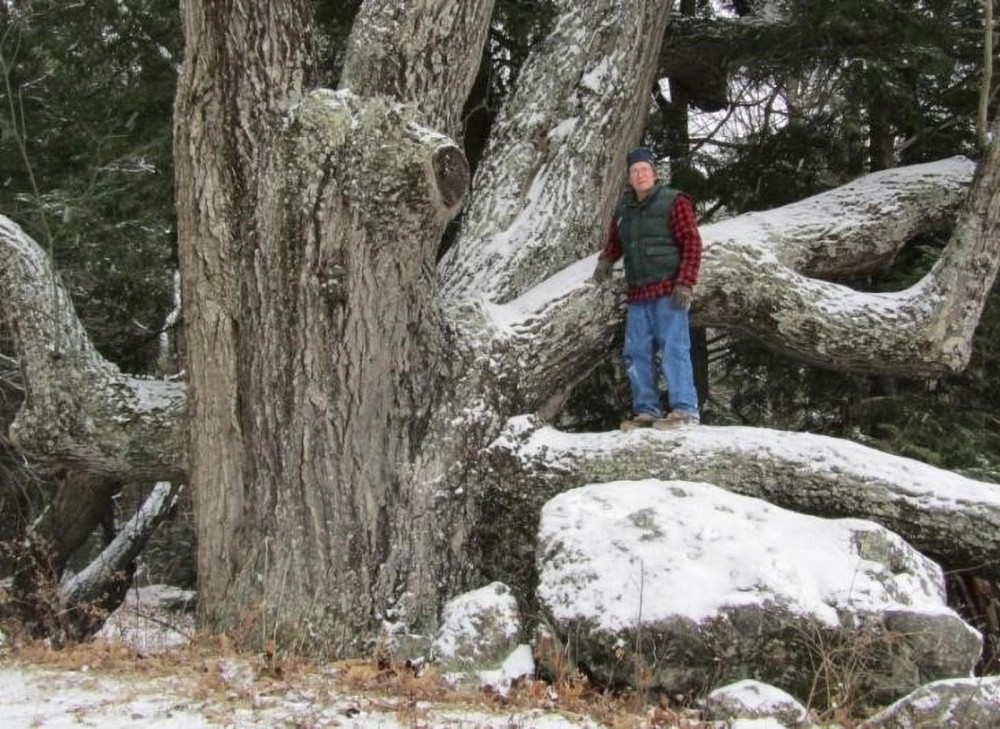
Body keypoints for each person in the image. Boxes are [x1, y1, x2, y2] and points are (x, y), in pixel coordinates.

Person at [592, 146, 702, 430]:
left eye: (644, 170)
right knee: (636, 351)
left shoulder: (674, 201)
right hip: (639, 294)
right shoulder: (626, 211)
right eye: (634, 171)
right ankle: (647, 411)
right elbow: (619, 241)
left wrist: (686, 283)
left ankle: (685, 409)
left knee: (674, 348)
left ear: (654, 173)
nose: (640, 175)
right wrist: (607, 258)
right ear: (629, 178)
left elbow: (691, 242)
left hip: (668, 290)